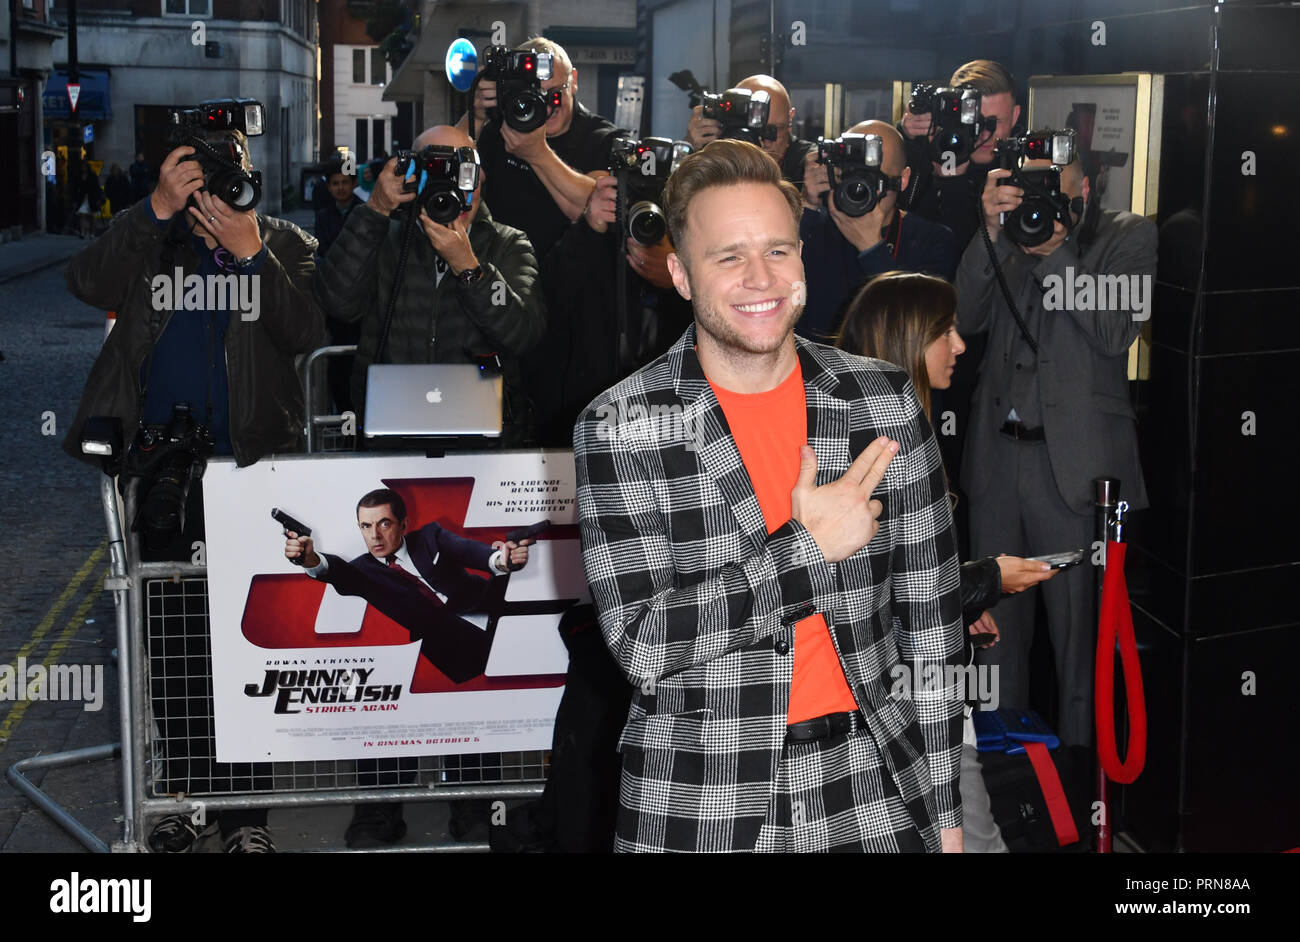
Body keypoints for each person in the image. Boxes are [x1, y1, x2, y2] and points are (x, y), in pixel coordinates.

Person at [574, 140, 965, 853]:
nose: (761, 278)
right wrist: (803, 553)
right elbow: (642, 644)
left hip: (872, 784)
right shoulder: (620, 425)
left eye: (779, 251)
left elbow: (932, 629)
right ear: (680, 275)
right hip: (701, 798)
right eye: (728, 257)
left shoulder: (882, 401)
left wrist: (944, 810)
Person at [62, 123, 326, 854]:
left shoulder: (284, 244)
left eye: (227, 172)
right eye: (197, 175)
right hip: (163, 470)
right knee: (172, 647)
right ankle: (181, 799)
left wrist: (252, 256)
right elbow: (85, 281)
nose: (212, 189)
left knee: (249, 650)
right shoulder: (152, 241)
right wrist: (152, 210)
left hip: (252, 469)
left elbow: (310, 330)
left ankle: (246, 821)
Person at [836, 270, 1059, 852]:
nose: (960, 345)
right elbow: (865, 588)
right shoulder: (875, 445)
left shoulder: (892, 426)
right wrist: (986, 580)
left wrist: (960, 607)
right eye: (946, 330)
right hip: (907, 709)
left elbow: (911, 580)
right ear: (908, 337)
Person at [956, 152, 1155, 747]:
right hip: (997, 462)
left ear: (1086, 189)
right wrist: (991, 230)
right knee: (991, 644)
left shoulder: (1128, 236)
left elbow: (1118, 330)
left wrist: (1056, 256)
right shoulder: (1010, 235)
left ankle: (1077, 800)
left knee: (1079, 649)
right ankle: (996, 786)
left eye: (1054, 190)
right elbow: (965, 316)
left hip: (1076, 469)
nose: (1039, 203)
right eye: (1030, 188)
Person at [284, 488, 533, 846]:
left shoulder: (430, 537)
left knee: (477, 716)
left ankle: (472, 806)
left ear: (403, 524)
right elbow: (335, 572)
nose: (375, 535)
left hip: (493, 628)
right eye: (366, 526)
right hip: (446, 654)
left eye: (384, 523)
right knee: (401, 706)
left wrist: (502, 561)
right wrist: (310, 560)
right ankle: (380, 810)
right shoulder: (364, 570)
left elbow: (472, 552)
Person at [313, 125, 546, 443]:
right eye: (437, 174)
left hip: (483, 435)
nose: (455, 194)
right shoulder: (385, 236)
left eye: (465, 176)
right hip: (391, 426)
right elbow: (338, 303)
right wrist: (376, 210)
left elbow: (523, 334)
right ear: (412, 179)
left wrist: (469, 269)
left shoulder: (508, 244)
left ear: (481, 181)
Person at [525, 170, 693, 447]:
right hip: (581, 410)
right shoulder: (585, 243)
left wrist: (677, 278)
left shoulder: (683, 257)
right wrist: (589, 228)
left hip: (665, 415)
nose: (640, 223)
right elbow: (544, 308)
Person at [797, 120, 958, 341]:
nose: (859, 188)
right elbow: (781, 285)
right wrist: (807, 205)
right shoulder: (816, 225)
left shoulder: (933, 241)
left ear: (903, 179)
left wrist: (872, 249)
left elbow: (916, 334)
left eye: (874, 180)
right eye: (850, 176)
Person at [472, 37, 620, 259]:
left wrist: (537, 154)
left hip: (573, 280)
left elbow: (594, 205)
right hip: (506, 276)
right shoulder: (499, 129)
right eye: (531, 94)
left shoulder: (603, 138)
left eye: (555, 94)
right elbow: (455, 176)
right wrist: (475, 115)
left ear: (574, 81)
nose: (546, 105)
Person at [685, 74, 816, 188]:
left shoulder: (807, 166)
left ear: (790, 119)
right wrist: (689, 153)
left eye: (772, 130)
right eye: (754, 130)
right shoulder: (713, 151)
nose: (764, 142)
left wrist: (808, 200)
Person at [73, 163, 104, 238]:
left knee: (92, 216)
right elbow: (76, 187)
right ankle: (82, 232)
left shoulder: (93, 176)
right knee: (82, 214)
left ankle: (92, 232)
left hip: (92, 198)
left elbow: (97, 187)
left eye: (84, 167)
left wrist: (98, 198)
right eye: (82, 167)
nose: (83, 168)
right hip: (83, 198)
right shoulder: (79, 176)